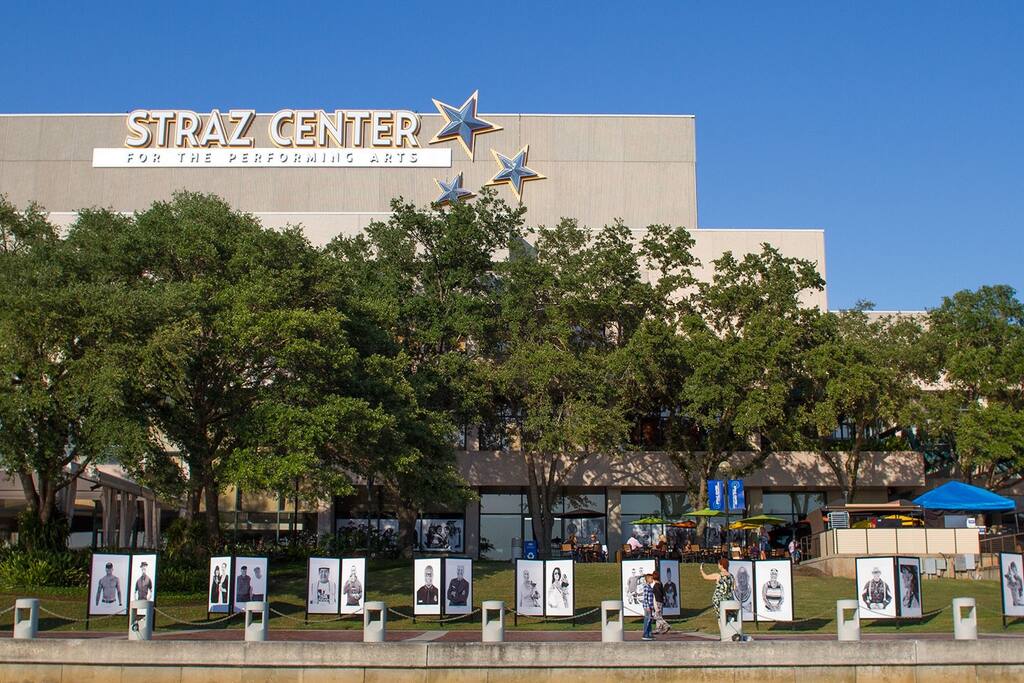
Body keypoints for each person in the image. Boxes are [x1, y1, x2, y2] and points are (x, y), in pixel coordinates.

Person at [651, 570, 670, 634]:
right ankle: (658, 629)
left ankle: (666, 625)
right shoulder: (660, 583)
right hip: (661, 601)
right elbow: (663, 593)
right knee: (659, 615)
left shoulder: (656, 585)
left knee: (657, 616)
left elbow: (658, 594)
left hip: (657, 601)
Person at [641, 573, 656, 641]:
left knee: (650, 620)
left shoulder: (649, 586)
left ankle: (649, 633)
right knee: (647, 620)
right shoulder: (646, 587)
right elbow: (645, 598)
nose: (652, 580)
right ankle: (645, 634)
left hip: (650, 606)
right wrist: (647, 606)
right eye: (651, 578)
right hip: (647, 607)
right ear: (648, 579)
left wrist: (652, 606)